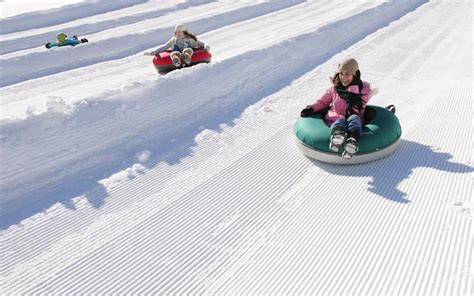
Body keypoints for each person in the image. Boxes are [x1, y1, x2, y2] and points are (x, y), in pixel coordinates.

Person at [300, 58, 375, 159]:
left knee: (354, 118)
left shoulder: (364, 90)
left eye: (347, 74)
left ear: (355, 75)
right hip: (334, 119)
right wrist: (311, 109)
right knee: (341, 120)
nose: (343, 77)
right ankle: (337, 138)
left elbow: (358, 109)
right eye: (341, 73)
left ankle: (352, 142)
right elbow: (322, 102)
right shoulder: (334, 88)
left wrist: (351, 90)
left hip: (355, 122)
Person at [144, 24, 210, 67]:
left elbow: (201, 43)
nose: (178, 34)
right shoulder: (174, 39)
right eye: (177, 32)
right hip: (177, 51)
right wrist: (153, 52)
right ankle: (176, 60)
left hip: (186, 50)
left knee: (187, 48)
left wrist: (206, 46)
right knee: (175, 51)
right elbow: (164, 46)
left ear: (184, 32)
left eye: (179, 32)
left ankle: (187, 57)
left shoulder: (189, 39)